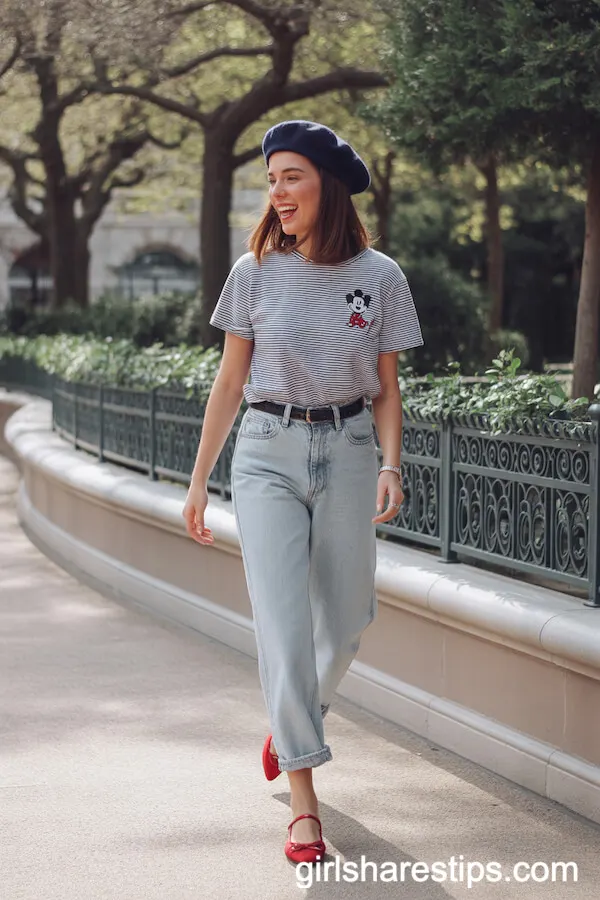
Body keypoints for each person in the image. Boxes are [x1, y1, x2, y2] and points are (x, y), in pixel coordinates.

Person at [183, 120, 423, 864]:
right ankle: (304, 799)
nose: (278, 193)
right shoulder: (253, 271)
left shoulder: (381, 276)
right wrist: (199, 480)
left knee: (348, 618)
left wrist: (390, 465)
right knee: (283, 626)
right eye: (272, 180)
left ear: (328, 184)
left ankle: (294, 724)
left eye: (292, 177)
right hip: (265, 453)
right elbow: (230, 380)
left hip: (349, 449)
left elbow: (387, 388)